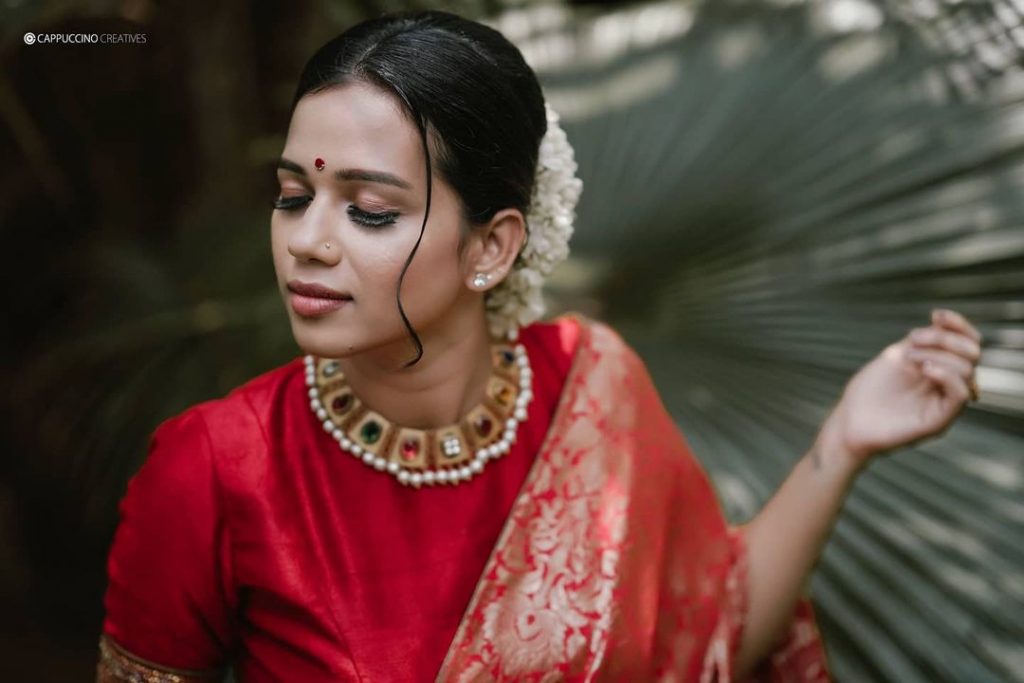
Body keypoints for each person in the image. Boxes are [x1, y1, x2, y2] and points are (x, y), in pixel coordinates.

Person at [96, 9, 984, 683]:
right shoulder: (214, 467)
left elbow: (709, 629)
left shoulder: (588, 384)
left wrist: (847, 439)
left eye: (369, 210)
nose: (307, 240)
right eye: (293, 195)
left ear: (493, 245)